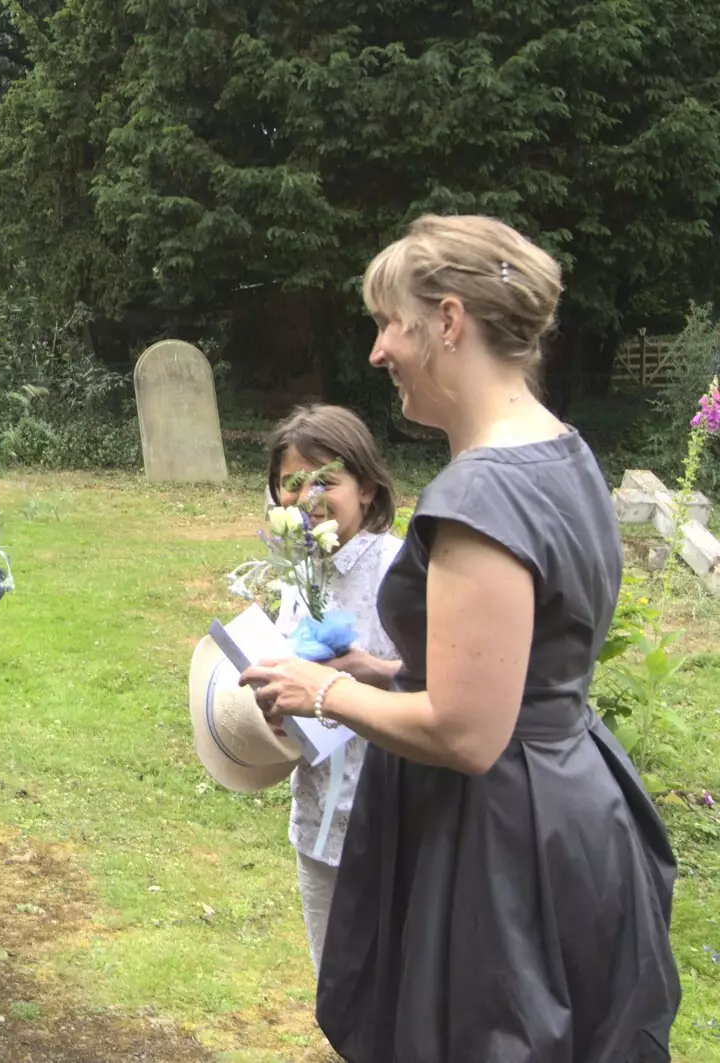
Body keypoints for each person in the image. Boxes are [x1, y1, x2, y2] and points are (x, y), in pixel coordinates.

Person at [242, 214, 681, 1061]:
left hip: (502, 837)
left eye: (388, 324)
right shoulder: (564, 450)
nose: (376, 352)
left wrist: (321, 688)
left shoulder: (480, 494)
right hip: (573, 799)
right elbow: (531, 654)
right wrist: (389, 668)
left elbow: (468, 733)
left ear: (448, 322)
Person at [261, 405, 402, 976]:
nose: (307, 495)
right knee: (337, 984)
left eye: (326, 479)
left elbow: (450, 688)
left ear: (366, 488)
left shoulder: (403, 571)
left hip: (393, 822)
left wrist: (373, 671)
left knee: (398, 982)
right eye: (292, 483)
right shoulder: (301, 575)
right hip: (319, 818)